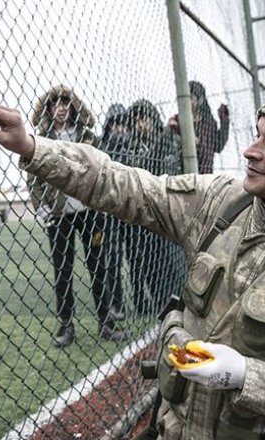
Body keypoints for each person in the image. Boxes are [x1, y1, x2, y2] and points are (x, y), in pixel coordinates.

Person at [0, 85, 265, 438]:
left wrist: (248, 377)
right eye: (258, 134)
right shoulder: (223, 202)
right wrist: (32, 146)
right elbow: (122, 184)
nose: (251, 150)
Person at [28, 85, 124, 347]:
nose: (60, 108)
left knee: (98, 267)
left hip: (90, 210)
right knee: (63, 270)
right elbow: (32, 176)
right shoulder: (42, 138)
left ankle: (106, 322)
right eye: (55, 104)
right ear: (48, 109)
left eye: (65, 103)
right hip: (58, 214)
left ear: (73, 107)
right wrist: (41, 207)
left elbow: (105, 167)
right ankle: (66, 325)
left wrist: (103, 198)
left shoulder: (87, 136)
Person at [129, 99, 184, 316]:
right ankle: (165, 313)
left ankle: (182, 309)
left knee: (177, 267)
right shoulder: (133, 146)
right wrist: (166, 134)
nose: (141, 125)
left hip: (173, 210)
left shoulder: (172, 139)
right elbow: (147, 164)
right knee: (154, 272)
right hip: (149, 216)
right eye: (137, 121)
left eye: (145, 119)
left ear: (153, 119)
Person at [99, 103, 130, 321]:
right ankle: (116, 304)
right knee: (113, 260)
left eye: (123, 124)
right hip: (110, 210)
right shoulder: (103, 147)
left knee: (136, 257)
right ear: (109, 126)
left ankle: (137, 301)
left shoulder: (132, 145)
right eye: (115, 124)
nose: (119, 129)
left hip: (131, 206)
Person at [168, 81, 230, 174]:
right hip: (183, 172)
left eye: (190, 98)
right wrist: (172, 129)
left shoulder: (208, 123)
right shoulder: (177, 120)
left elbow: (218, 146)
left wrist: (224, 121)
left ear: (200, 100)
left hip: (205, 173)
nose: (186, 102)